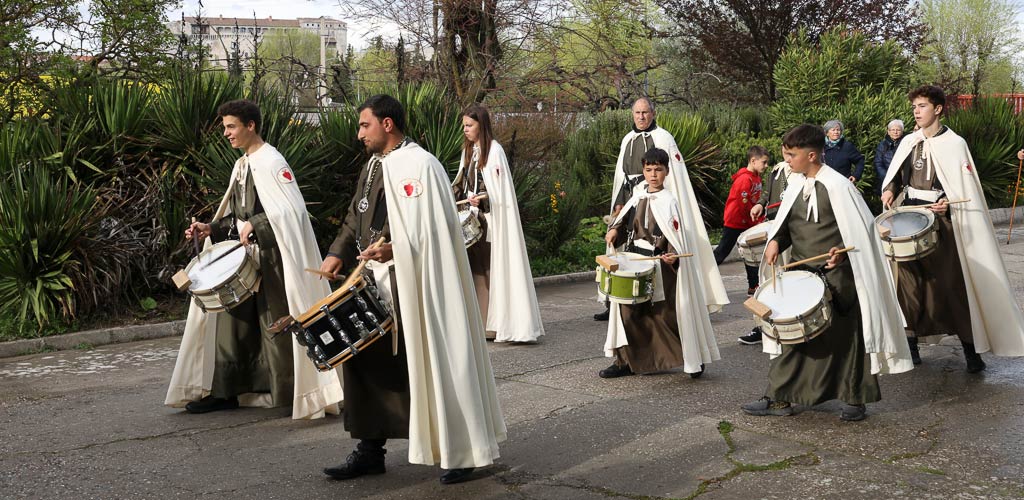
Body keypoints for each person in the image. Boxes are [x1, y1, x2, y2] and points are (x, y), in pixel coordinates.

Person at [319, 94, 506, 485]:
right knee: (365, 363)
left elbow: (438, 231)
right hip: (373, 280)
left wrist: (395, 247)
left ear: (387, 124)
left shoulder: (422, 165)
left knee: (435, 360)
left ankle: (461, 451)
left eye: (364, 125)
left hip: (418, 283)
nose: (359, 134)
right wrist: (337, 252)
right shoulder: (374, 166)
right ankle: (370, 451)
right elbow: (357, 214)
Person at [165, 99, 343, 418]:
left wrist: (257, 225)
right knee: (230, 324)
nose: (226, 133)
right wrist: (210, 228)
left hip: (273, 260)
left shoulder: (272, 161)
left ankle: (289, 389)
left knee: (273, 326)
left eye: (231, 127)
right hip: (245, 258)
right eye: (224, 127)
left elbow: (292, 213)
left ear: (251, 126)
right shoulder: (243, 164)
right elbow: (236, 214)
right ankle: (227, 391)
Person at [742, 124, 912, 422]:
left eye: (791, 155)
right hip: (801, 274)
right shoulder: (795, 183)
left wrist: (842, 256)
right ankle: (780, 398)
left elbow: (861, 235)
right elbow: (786, 224)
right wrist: (776, 242)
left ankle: (856, 399)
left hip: (839, 277)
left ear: (811, 155)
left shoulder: (839, 186)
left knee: (848, 339)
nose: (788, 161)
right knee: (792, 337)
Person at [881, 85, 1024, 371]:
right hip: (909, 218)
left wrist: (946, 202)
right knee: (907, 285)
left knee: (952, 286)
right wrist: (890, 188)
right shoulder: (909, 141)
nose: (916, 112)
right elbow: (897, 176)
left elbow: (962, 186)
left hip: (943, 224)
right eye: (914, 107)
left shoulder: (954, 144)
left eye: (922, 106)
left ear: (938, 109)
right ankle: (911, 344)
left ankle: (972, 351)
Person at [595, 96, 729, 322]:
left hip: (656, 201)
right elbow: (621, 176)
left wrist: (661, 204)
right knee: (621, 247)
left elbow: (673, 177)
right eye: (637, 113)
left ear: (653, 113)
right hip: (631, 197)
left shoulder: (663, 138)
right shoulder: (627, 139)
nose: (641, 117)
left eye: (645, 113)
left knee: (653, 249)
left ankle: (663, 301)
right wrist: (619, 203)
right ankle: (616, 301)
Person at [600, 148, 723, 379]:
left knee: (665, 316)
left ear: (667, 171)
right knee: (626, 311)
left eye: (658, 170)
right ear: (643, 171)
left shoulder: (669, 201)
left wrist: (673, 254)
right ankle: (625, 361)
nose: (653, 174)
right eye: (648, 170)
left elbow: (675, 235)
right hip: (633, 260)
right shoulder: (637, 194)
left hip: (660, 263)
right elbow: (623, 218)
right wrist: (614, 229)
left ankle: (691, 355)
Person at [451, 104, 544, 343]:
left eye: (469, 126)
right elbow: (461, 182)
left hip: (491, 222)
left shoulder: (494, 152)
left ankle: (503, 324)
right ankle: (484, 325)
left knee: (494, 272)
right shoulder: (469, 152)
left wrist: (482, 199)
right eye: (464, 126)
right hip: (473, 220)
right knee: (478, 273)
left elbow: (499, 193)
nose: (465, 130)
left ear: (481, 125)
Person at [739, 154, 796, 345]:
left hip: (792, 234)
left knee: (787, 280)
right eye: (786, 152)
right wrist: (759, 205)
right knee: (766, 281)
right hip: (773, 227)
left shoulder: (805, 173)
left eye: (793, 153)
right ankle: (762, 327)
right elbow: (767, 193)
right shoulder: (777, 171)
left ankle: (788, 324)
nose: (789, 158)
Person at [713, 145, 768, 296]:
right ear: (753, 160)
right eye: (764, 162)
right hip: (736, 222)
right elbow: (743, 205)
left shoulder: (755, 177)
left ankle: (754, 285)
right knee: (722, 252)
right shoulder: (744, 179)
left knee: (751, 253)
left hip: (749, 222)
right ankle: (704, 277)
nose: (766, 165)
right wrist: (755, 220)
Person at [823, 120, 865, 184]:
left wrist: (855, 175)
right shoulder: (821, 146)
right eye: (833, 130)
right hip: (824, 183)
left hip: (842, 184)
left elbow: (860, 160)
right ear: (827, 133)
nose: (836, 132)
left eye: (838, 130)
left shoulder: (847, 146)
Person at [874, 119, 905, 195]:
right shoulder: (882, 145)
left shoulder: (905, 143)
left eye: (898, 130)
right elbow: (878, 163)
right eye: (892, 130)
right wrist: (888, 178)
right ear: (888, 131)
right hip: (885, 180)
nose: (895, 132)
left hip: (902, 182)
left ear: (902, 132)